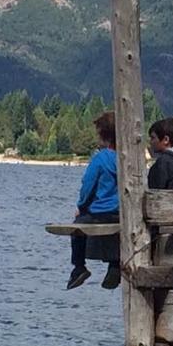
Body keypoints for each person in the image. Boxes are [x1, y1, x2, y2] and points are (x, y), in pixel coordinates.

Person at [68, 111, 120, 290]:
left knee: (77, 226)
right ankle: (115, 266)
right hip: (122, 214)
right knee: (117, 232)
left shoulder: (100, 158)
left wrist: (81, 207)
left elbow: (88, 186)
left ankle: (79, 266)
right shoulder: (128, 158)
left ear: (103, 135)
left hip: (101, 213)